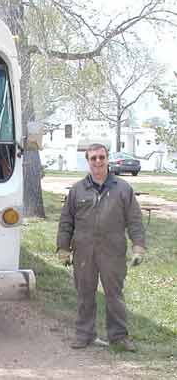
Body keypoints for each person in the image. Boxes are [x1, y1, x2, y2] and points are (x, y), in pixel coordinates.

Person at [56, 143, 146, 352]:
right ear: (87, 161)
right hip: (84, 251)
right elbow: (66, 220)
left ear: (108, 159)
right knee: (84, 293)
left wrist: (139, 247)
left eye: (101, 157)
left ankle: (119, 337)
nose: (98, 161)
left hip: (112, 251)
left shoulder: (123, 188)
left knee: (114, 295)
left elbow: (134, 220)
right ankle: (84, 335)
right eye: (93, 158)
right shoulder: (78, 189)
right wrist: (63, 247)